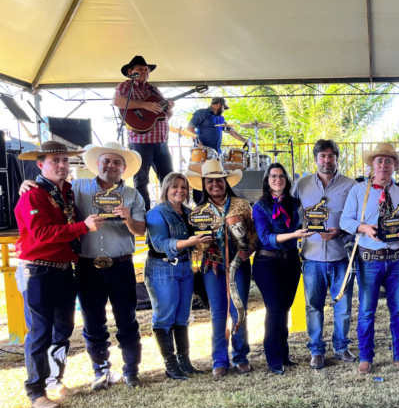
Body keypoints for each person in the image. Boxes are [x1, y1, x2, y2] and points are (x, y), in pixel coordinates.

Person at [19, 141, 147, 390]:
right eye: (106, 161)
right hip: (86, 266)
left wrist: (128, 219)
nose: (111, 165)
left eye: (116, 162)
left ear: (124, 167)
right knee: (92, 321)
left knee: (127, 319)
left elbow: (141, 231)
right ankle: (100, 371)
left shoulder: (132, 195)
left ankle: (131, 370)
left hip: (120, 264)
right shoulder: (75, 188)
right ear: (97, 164)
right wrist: (27, 184)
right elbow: (46, 192)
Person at [14, 141, 105, 408]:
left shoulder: (66, 192)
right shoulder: (32, 195)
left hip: (63, 269)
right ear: (40, 164)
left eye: (65, 160)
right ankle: (35, 390)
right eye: (55, 161)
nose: (62, 165)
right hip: (38, 270)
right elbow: (41, 234)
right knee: (40, 332)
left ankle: (54, 379)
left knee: (63, 329)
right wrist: (83, 227)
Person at [340, 143, 399, 375]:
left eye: (388, 161)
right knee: (366, 311)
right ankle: (366, 357)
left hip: (395, 259)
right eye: (379, 161)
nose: (383, 165)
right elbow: (345, 221)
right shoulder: (358, 191)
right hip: (369, 259)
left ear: (395, 166)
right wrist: (363, 227)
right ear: (372, 165)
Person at [187, 160, 258, 379]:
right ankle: (219, 359)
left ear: (226, 182)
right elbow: (195, 245)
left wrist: (249, 250)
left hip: (239, 263)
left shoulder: (242, 205)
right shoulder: (198, 212)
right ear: (204, 184)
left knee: (239, 309)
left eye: (219, 180)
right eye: (210, 181)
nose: (215, 184)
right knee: (218, 313)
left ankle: (241, 356)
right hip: (212, 266)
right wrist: (202, 242)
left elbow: (254, 234)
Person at [294, 140, 358, 369]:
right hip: (311, 258)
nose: (327, 160)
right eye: (322, 156)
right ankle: (316, 350)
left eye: (331, 156)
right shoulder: (300, 185)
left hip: (342, 257)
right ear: (315, 158)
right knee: (313, 306)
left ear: (337, 158)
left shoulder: (351, 185)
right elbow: (290, 216)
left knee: (343, 306)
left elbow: (357, 220)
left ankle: (341, 347)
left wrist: (340, 231)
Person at [145, 172, 212, 380]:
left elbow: (197, 239)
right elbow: (160, 244)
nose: (180, 190)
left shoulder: (189, 213)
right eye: (175, 186)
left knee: (183, 316)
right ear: (166, 188)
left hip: (185, 267)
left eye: (183, 187)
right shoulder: (156, 213)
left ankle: (185, 361)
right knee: (165, 316)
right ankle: (170, 364)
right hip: (162, 268)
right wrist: (190, 242)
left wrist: (205, 240)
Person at [252, 164, 310, 374]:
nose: (278, 179)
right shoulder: (260, 207)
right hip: (267, 262)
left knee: (284, 309)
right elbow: (265, 237)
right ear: (267, 180)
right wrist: (295, 235)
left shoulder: (294, 203)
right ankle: (273, 358)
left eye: (281, 176)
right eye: (273, 176)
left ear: (286, 179)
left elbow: (306, 222)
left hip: (291, 260)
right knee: (275, 309)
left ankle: (284, 354)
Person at [112, 55, 174, 210]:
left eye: (146, 69)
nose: (145, 71)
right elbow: (117, 101)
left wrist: (169, 109)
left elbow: (164, 116)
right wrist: (145, 105)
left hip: (161, 141)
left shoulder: (154, 89)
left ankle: (170, 211)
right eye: (140, 69)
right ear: (130, 71)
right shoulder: (126, 86)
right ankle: (143, 214)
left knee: (169, 179)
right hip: (141, 143)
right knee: (141, 180)